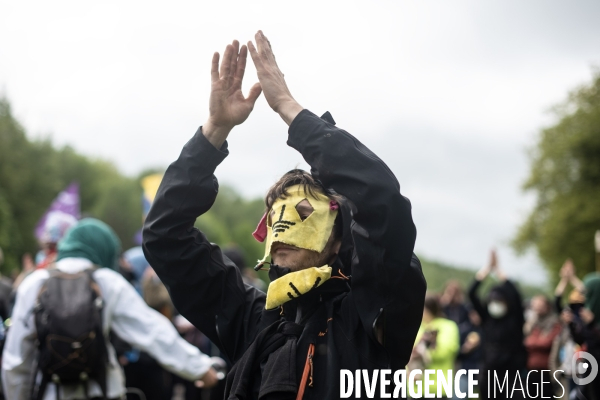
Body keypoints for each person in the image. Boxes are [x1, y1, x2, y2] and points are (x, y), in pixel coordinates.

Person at [143, 31, 426, 399]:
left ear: (338, 235)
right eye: (275, 214)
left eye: (303, 212)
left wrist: (292, 111)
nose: (282, 225)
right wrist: (214, 131)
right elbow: (164, 237)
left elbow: (382, 200)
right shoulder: (250, 318)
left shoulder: (368, 316)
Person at [2, 218, 219, 400]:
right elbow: (153, 332)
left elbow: (15, 360)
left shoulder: (34, 284)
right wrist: (200, 368)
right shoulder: (107, 282)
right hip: (102, 392)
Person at [468, 249, 527, 400]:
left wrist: (499, 271)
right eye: (493, 301)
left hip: (511, 373)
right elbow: (471, 293)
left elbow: (515, 293)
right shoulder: (488, 317)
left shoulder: (515, 319)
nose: (495, 304)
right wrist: (487, 269)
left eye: (499, 301)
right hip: (489, 371)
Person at [410, 294, 459, 398]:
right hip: (414, 388)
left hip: (436, 387)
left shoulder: (448, 326)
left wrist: (424, 352)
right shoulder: (416, 326)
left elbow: (444, 352)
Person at [524, 295, 561, 398]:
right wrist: (537, 340)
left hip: (548, 373)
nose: (537, 308)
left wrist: (533, 341)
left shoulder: (554, 322)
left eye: (540, 305)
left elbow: (547, 342)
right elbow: (525, 340)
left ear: (547, 307)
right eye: (535, 306)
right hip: (530, 371)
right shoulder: (532, 323)